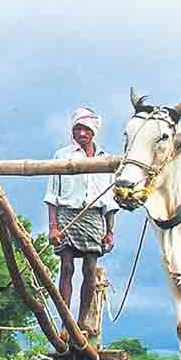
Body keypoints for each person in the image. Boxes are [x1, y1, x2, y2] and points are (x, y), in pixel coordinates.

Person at [44, 107, 117, 336]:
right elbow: (52, 195)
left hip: (94, 217)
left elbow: (109, 200)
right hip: (67, 214)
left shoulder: (105, 159)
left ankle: (82, 320)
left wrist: (110, 231)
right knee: (66, 267)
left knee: (89, 269)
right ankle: (66, 323)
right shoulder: (62, 156)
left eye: (85, 129)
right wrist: (53, 227)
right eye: (77, 129)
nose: (81, 134)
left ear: (93, 132)